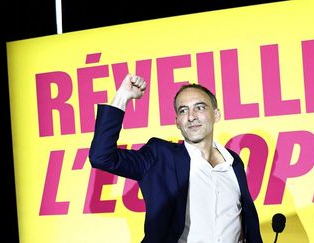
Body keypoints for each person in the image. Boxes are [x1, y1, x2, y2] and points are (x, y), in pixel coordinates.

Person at [89, 74, 263, 243]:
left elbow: (244, 223)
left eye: (200, 107)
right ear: (178, 122)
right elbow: (101, 156)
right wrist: (123, 96)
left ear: (216, 115)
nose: (191, 116)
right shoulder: (160, 157)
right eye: (183, 110)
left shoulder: (233, 162)